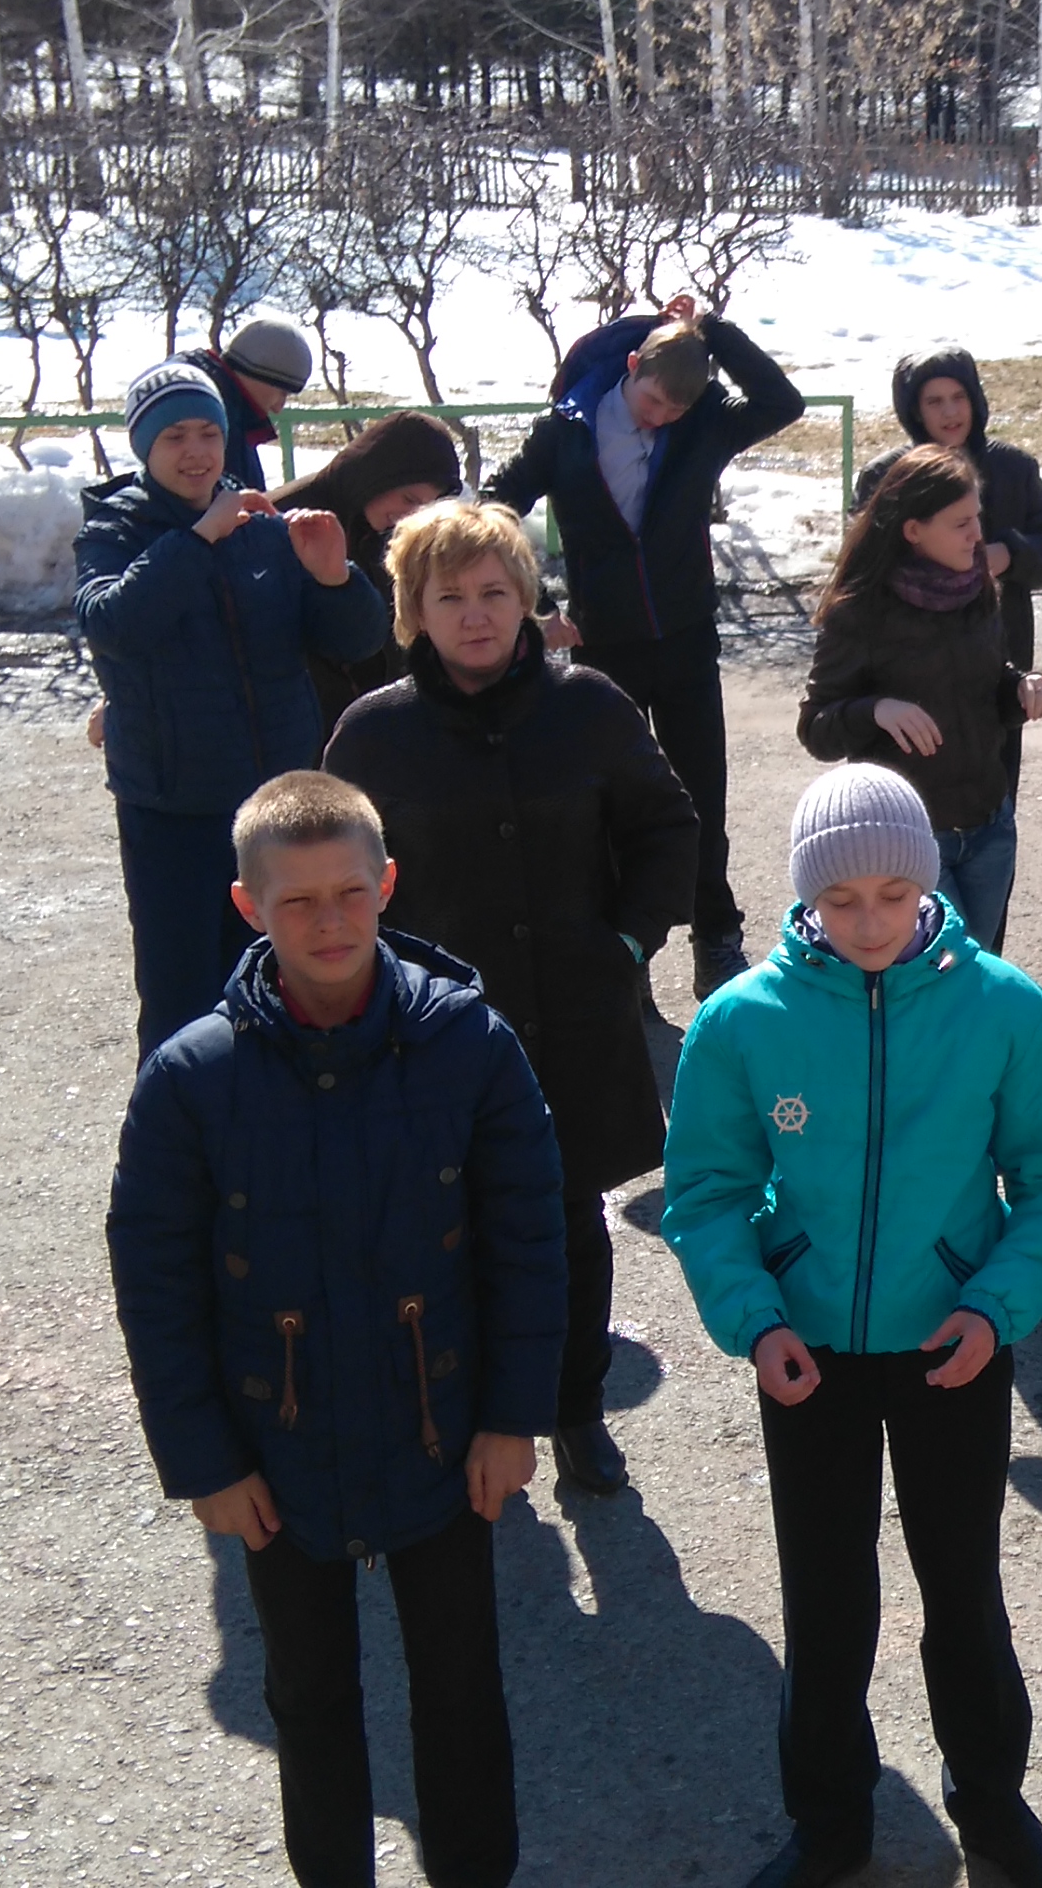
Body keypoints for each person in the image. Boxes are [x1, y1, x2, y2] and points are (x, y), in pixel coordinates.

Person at [108, 771, 567, 1888]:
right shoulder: (193, 1078)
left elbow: (528, 1240)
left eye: (349, 892)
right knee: (308, 1701)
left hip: (441, 1435)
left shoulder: (469, 1045)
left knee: (460, 1688)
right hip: (278, 1452)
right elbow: (155, 1283)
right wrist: (205, 1460)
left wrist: (513, 1418)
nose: (329, 921)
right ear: (246, 905)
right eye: (297, 901)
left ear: (387, 884)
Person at [661, 766, 1042, 1888]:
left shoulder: (1003, 1007)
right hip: (804, 1354)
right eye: (840, 899)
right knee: (825, 1597)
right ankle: (829, 1825)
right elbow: (705, 1191)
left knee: (963, 1586)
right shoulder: (740, 1021)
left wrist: (993, 1305)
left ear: (928, 883)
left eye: (894, 895)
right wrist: (755, 1318)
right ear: (803, 895)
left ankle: (992, 1805)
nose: (868, 922)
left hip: (953, 1343)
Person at [324, 501, 703, 1503]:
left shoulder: (589, 708)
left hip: (573, 1020)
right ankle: (457, 1420)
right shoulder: (375, 734)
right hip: (430, 1037)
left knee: (568, 1228)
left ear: (527, 598)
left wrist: (627, 941)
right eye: (448, 596)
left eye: (494, 591)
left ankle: (576, 1409)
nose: (475, 613)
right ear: (413, 612)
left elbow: (667, 828)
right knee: (440, 1234)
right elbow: (335, 876)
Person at [485, 295, 810, 999]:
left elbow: (783, 402)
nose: (659, 418)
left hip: (687, 640)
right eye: (653, 401)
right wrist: (535, 607)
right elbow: (495, 506)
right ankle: (626, 952)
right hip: (606, 648)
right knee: (611, 804)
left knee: (701, 799)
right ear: (631, 366)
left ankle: (716, 938)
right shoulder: (564, 431)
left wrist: (711, 329)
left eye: (675, 410)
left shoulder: (703, 426)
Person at [77, 359, 391, 1055]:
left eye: (208, 434)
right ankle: (180, 1118)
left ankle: (292, 1112)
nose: (196, 452)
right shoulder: (114, 529)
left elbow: (356, 642)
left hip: (278, 806)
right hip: (173, 809)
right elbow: (113, 626)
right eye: (174, 438)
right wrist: (197, 540)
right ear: (145, 447)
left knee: (293, 981)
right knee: (182, 995)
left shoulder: (262, 526)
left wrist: (335, 578)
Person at [798, 445, 1042, 949]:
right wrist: (876, 711)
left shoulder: (978, 587)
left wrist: (1023, 688)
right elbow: (816, 728)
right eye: (961, 523)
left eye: (977, 518)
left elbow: (991, 684)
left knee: (976, 974)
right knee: (942, 973)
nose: (978, 535)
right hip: (911, 840)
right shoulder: (859, 612)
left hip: (989, 827)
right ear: (913, 531)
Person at [861, 346, 1042, 679]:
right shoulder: (886, 477)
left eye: (959, 397)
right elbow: (863, 569)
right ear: (915, 411)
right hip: (911, 661)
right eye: (934, 401)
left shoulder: (1012, 467)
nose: (950, 412)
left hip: (1003, 660)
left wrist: (1010, 554)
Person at [274, 408, 468, 728]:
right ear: (375, 476)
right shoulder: (289, 519)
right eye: (408, 498)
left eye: (427, 505)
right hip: (307, 724)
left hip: (372, 721)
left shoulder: (382, 529)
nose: (411, 515)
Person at [179, 314, 320, 490]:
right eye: (282, 393)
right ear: (258, 374)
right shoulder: (221, 422)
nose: (278, 408)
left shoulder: (231, 410)